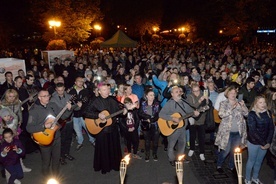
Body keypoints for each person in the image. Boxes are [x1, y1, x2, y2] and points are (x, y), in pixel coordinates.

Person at [26, 90, 72, 177]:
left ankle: (56, 178)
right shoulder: (34, 111)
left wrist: (69, 109)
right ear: (39, 98)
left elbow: (63, 116)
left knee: (56, 160)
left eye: (48, 95)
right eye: (45, 96)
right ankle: (46, 179)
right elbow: (29, 128)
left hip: (57, 137)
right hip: (44, 139)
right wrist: (44, 126)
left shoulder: (53, 105)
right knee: (46, 162)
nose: (47, 98)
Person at [83, 83, 126, 174]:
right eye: (104, 90)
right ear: (99, 91)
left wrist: (125, 110)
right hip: (102, 130)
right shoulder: (95, 101)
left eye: (108, 89)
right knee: (104, 149)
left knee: (114, 147)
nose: (107, 91)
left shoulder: (113, 99)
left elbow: (120, 110)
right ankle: (105, 167)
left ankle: (115, 165)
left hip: (113, 128)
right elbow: (86, 113)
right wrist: (97, 115)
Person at [159, 86, 199, 166]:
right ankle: (172, 159)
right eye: (176, 92)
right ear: (172, 94)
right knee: (171, 144)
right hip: (173, 128)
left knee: (182, 143)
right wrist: (172, 118)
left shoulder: (184, 102)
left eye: (179, 92)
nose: (179, 93)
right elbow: (161, 114)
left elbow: (191, 112)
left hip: (183, 128)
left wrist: (195, 114)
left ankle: (180, 157)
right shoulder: (169, 104)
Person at [215, 86, 248, 174]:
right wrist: (231, 108)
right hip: (227, 132)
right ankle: (219, 164)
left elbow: (246, 114)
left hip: (238, 132)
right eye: (231, 93)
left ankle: (231, 166)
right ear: (227, 94)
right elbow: (221, 114)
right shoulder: (224, 103)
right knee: (225, 150)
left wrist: (243, 106)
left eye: (234, 93)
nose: (233, 95)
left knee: (234, 151)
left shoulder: (239, 103)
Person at [244, 96, 274, 184]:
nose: (263, 104)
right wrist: (264, 143)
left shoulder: (268, 112)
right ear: (256, 103)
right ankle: (247, 179)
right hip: (253, 142)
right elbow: (252, 131)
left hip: (265, 143)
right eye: (260, 102)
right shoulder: (252, 114)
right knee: (251, 161)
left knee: (259, 161)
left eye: (264, 102)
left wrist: (268, 142)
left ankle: (255, 177)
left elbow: (271, 128)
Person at [50, 83, 76, 165]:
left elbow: (76, 107)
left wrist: (73, 106)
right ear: (56, 90)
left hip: (69, 121)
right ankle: (61, 156)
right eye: (58, 90)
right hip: (60, 122)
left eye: (62, 90)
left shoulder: (69, 96)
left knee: (69, 138)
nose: (60, 92)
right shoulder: (52, 99)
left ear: (64, 88)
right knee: (61, 140)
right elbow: (52, 111)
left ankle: (66, 153)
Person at [186, 84, 208, 161]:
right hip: (193, 120)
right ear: (192, 91)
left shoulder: (203, 95)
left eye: (198, 90)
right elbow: (192, 106)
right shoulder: (189, 97)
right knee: (192, 135)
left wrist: (206, 100)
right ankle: (192, 148)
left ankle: (202, 152)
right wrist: (199, 101)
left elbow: (207, 106)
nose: (197, 93)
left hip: (201, 119)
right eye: (195, 91)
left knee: (201, 137)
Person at [139, 89, 161, 162]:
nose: (152, 97)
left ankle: (154, 154)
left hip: (155, 125)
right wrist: (148, 117)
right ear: (147, 96)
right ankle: (147, 154)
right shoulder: (143, 104)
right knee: (147, 141)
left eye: (153, 95)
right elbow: (140, 113)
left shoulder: (157, 104)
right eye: (151, 95)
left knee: (155, 142)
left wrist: (152, 120)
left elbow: (158, 114)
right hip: (146, 125)